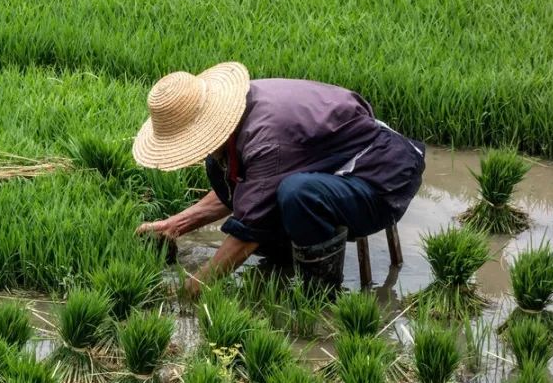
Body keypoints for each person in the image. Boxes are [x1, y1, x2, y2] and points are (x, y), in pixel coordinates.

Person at [133, 62, 425, 297]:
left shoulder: (264, 140)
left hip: (382, 175)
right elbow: (249, 188)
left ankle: (318, 297)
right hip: (334, 160)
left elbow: (249, 230)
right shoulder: (241, 111)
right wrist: (176, 225)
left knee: (298, 195)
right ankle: (287, 260)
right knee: (218, 167)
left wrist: (191, 288)